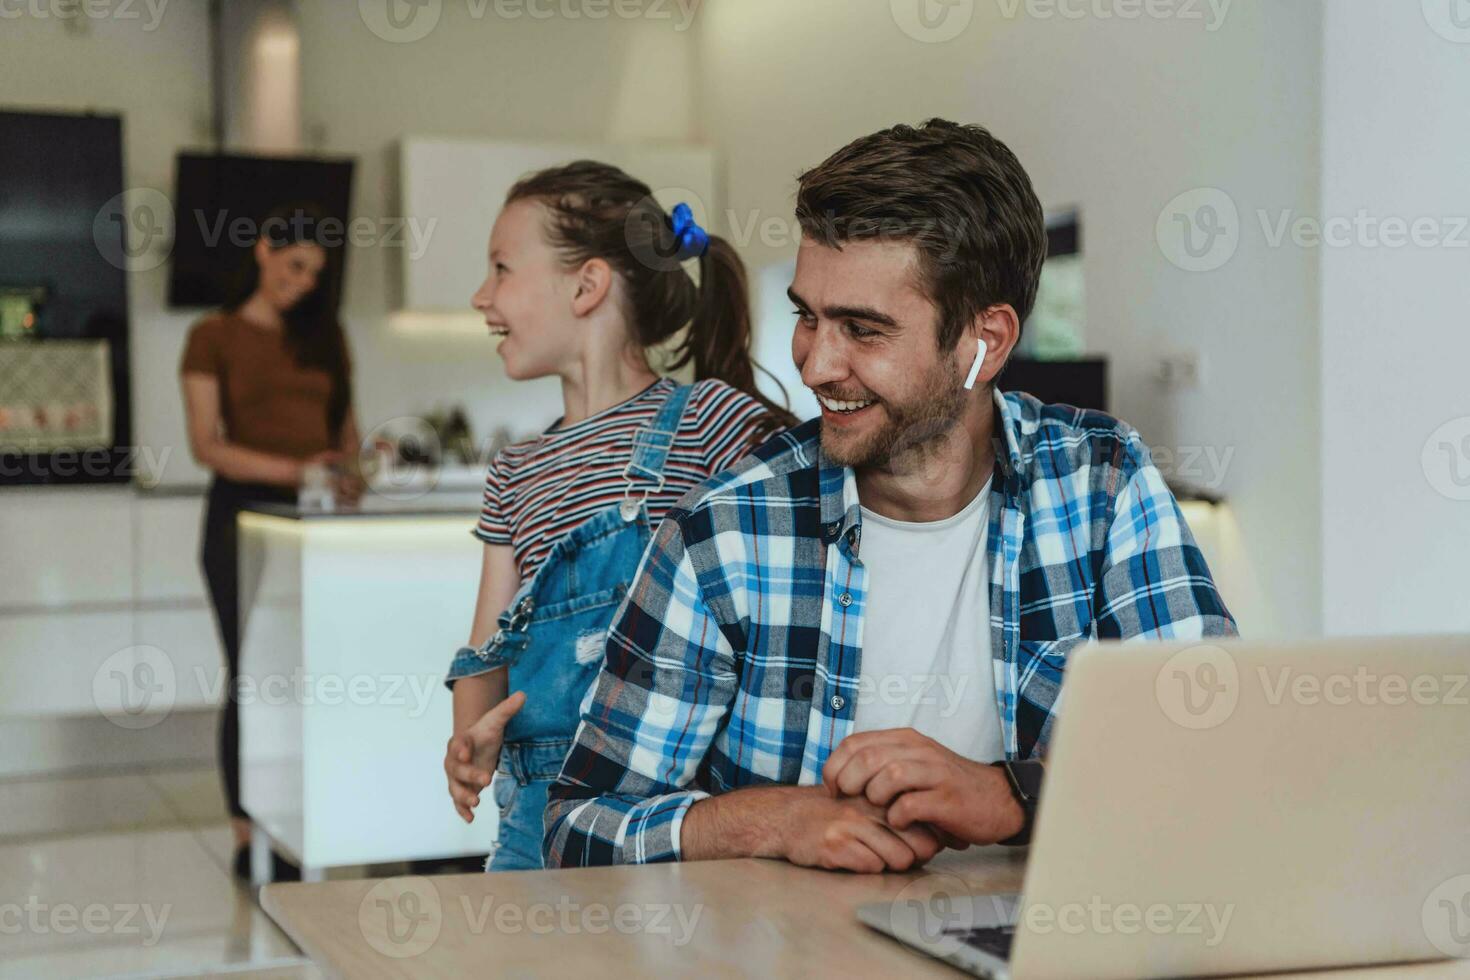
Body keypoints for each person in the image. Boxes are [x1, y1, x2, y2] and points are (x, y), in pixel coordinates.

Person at [545, 120, 1238, 871]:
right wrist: (770, 822)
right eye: (807, 316)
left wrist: (1015, 795)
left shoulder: (1101, 482)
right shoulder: (725, 531)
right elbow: (579, 828)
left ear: (985, 343)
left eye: (863, 330)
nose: (814, 364)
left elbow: (1214, 753)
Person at [441, 161, 794, 871]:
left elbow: (784, 606)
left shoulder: (710, 423)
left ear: (587, 284)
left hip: (680, 814)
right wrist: (469, 739)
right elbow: (487, 651)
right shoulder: (514, 470)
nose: (482, 295)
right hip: (537, 817)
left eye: (502, 268)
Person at [180, 205, 363, 878]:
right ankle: (245, 832)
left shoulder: (326, 336)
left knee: (316, 679)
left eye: (315, 272)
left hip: (316, 522)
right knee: (253, 675)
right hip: (242, 521)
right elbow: (209, 446)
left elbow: (347, 436)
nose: (305, 282)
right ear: (262, 251)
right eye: (295, 265)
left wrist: (352, 471)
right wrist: (298, 471)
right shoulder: (213, 335)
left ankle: (314, 814)